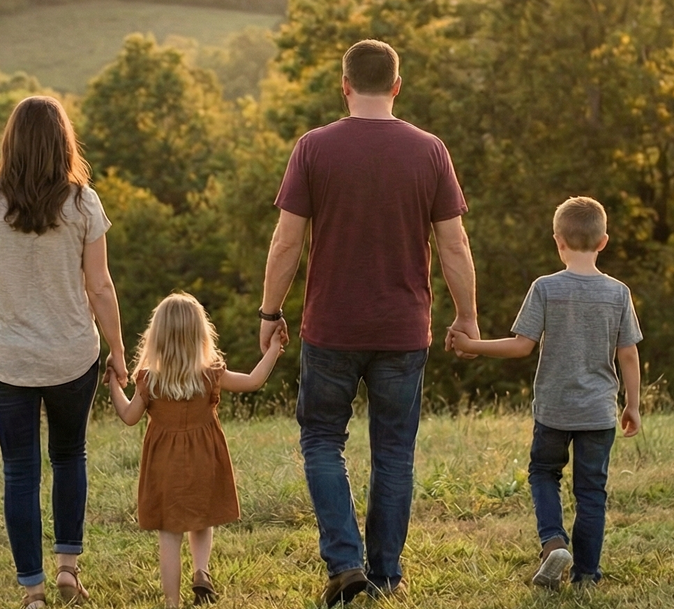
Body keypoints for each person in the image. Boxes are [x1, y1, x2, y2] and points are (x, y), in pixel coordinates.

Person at [258, 39, 480, 605]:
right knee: (394, 452)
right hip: (403, 331)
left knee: (322, 441)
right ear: (397, 87)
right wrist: (468, 318)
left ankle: (343, 562)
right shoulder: (430, 151)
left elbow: (287, 242)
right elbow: (453, 245)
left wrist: (269, 311)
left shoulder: (313, 148)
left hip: (330, 326)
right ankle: (385, 573)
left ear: (345, 84)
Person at [0, 95, 129, 609]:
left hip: (5, 359)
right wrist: (118, 351)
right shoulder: (82, 203)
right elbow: (100, 286)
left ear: (10, 142)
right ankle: (68, 570)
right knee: (70, 454)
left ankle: (32, 590)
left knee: (20, 470)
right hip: (71, 356)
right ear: (63, 143)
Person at [449, 195, 643, 590]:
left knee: (543, 472)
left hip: (554, 409)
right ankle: (587, 575)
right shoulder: (618, 293)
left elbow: (521, 345)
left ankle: (553, 541)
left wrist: (473, 346)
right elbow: (628, 354)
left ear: (558, 240)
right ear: (604, 241)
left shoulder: (546, 288)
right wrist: (633, 405)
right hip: (598, 413)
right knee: (591, 491)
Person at [107, 293, 290, 608]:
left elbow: (129, 417)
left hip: (164, 465)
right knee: (202, 518)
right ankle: (201, 571)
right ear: (201, 334)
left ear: (157, 336)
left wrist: (113, 383)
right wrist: (273, 349)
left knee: (169, 534)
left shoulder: (149, 380)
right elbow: (252, 381)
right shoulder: (210, 373)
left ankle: (171, 603)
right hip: (205, 457)